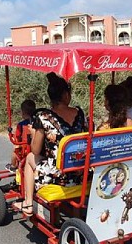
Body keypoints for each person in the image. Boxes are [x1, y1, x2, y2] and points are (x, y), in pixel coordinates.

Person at [13, 73, 86, 216]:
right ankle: (76, 214)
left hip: (58, 174)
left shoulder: (43, 117)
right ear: (65, 95)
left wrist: (34, 134)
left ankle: (28, 203)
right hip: (81, 171)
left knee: (29, 159)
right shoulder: (80, 114)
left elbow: (35, 150)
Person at [6, 99, 36, 172]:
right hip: (37, 145)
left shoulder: (21, 125)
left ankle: (13, 166)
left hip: (25, 148)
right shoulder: (38, 122)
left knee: (15, 149)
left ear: (23, 113)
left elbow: (17, 138)